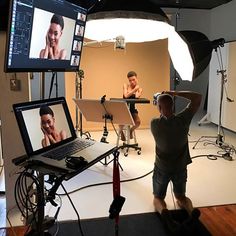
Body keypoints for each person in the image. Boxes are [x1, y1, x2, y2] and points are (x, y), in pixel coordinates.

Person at [151, 90, 202, 232]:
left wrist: (159, 101)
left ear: (159, 108)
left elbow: (161, 113)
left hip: (162, 168)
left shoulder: (154, 124)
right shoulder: (183, 120)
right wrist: (174, 92)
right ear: (173, 107)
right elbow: (197, 97)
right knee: (181, 197)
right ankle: (192, 212)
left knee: (158, 198)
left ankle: (165, 214)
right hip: (180, 167)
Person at [119, 71, 143, 141]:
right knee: (121, 123)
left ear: (137, 79)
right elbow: (126, 96)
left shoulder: (139, 89)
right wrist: (134, 90)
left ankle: (131, 131)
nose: (132, 82)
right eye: (130, 80)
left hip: (132, 109)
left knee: (138, 122)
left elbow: (137, 96)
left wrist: (137, 89)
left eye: (133, 79)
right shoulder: (125, 85)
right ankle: (121, 132)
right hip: (124, 108)